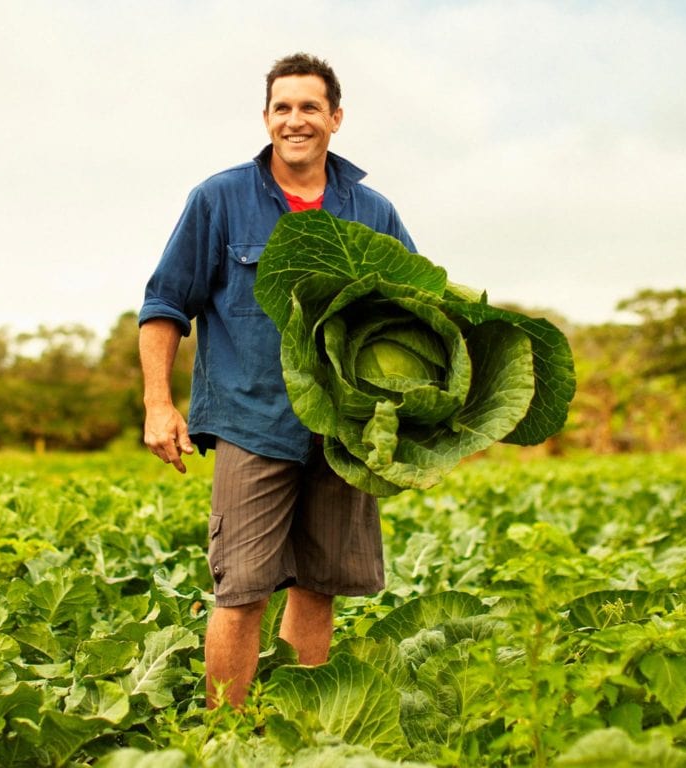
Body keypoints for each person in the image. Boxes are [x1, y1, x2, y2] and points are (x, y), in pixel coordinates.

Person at [137, 52, 416, 709]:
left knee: (319, 586)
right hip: (251, 420)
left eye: (310, 107)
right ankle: (225, 738)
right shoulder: (220, 199)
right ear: (266, 118)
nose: (296, 120)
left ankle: (297, 728)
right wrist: (157, 403)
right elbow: (164, 305)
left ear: (335, 119)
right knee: (243, 591)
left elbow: (413, 310)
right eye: (283, 108)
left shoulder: (371, 210)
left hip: (343, 434)